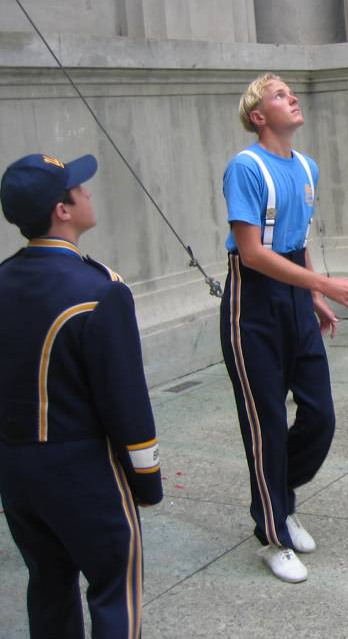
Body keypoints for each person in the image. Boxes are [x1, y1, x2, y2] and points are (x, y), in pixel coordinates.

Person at [0, 153, 162, 638]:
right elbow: (126, 400)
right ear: (62, 210)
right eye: (78, 188)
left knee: (48, 585)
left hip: (16, 469)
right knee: (114, 587)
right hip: (83, 469)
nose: (88, 192)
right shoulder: (100, 291)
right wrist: (146, 477)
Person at [221, 73, 348, 582]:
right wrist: (324, 284)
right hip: (253, 302)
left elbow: (296, 241)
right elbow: (252, 251)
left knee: (320, 416)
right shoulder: (246, 167)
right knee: (264, 423)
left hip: (292, 296)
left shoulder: (307, 167)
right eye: (280, 95)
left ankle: (278, 496)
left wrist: (310, 300)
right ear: (259, 116)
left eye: (290, 92)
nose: (292, 98)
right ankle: (273, 534)